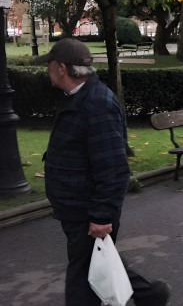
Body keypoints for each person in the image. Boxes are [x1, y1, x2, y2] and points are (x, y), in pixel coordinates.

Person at [36, 38, 171, 306]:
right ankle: (150, 294)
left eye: (49, 64)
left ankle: (150, 294)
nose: (47, 69)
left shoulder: (96, 104)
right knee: (96, 263)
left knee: (81, 280)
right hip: (75, 205)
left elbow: (113, 168)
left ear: (61, 67)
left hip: (87, 208)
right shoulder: (78, 97)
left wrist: (101, 215)